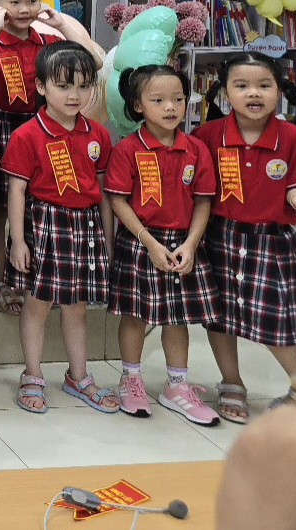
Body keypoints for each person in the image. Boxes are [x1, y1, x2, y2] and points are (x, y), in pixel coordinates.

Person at [194, 51, 296, 424]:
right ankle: (231, 382)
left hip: (271, 241)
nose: (254, 93)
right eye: (242, 85)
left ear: (279, 91)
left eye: (264, 85)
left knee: (276, 322)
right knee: (218, 316)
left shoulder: (292, 138)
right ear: (225, 92)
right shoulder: (208, 135)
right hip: (218, 237)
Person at [0, 0, 104, 314]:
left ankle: (35, 282)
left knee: (36, 208)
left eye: (32, 0)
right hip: (2, 128)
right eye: (14, 1)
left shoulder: (46, 42)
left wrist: (62, 25)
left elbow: (94, 60)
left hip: (44, 129)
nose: (24, 8)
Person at [2, 42, 117, 415]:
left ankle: (78, 376)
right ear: (41, 86)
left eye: (83, 86)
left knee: (78, 306)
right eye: (64, 86)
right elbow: (17, 190)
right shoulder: (27, 135)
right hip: (45, 224)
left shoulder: (98, 135)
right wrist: (18, 240)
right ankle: (33, 374)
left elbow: (103, 193)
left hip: (86, 226)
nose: (74, 95)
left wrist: (108, 239)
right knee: (37, 305)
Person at [104, 66, 221, 425]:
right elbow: (118, 200)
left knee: (178, 317)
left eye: (178, 99)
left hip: (183, 242)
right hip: (141, 241)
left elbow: (203, 200)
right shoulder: (127, 150)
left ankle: (177, 386)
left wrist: (191, 244)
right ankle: (131, 379)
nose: (170, 107)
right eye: (158, 100)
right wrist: (149, 242)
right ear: (138, 105)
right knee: (135, 315)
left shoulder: (196, 149)